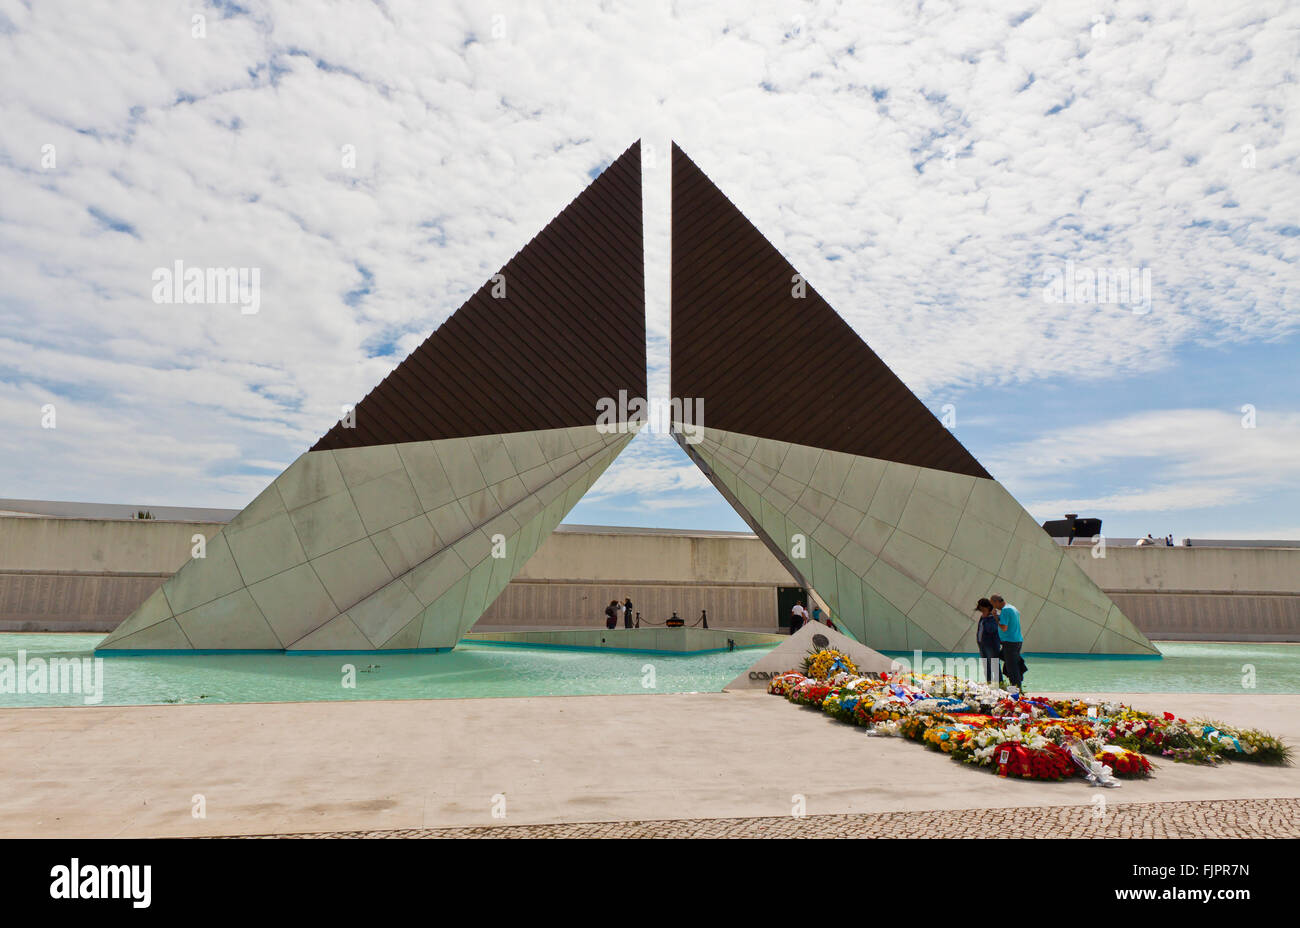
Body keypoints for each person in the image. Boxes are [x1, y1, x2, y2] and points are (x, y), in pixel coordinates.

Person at [991, 594, 1025, 691]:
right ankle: (1016, 686)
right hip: (1017, 641)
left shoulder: (1005, 610)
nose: (993, 606)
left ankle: (1016, 691)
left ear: (997, 602)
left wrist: (995, 618)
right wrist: (998, 616)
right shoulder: (1012, 608)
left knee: (1012, 668)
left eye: (993, 603)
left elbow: (1004, 627)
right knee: (1010, 662)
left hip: (1010, 642)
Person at [974, 598, 1002, 684]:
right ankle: (989, 683)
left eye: (982, 608)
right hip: (983, 645)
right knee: (986, 666)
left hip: (991, 645)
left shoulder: (993, 617)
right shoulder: (983, 617)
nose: (981, 610)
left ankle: (999, 684)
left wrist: (986, 618)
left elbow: (991, 629)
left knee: (994, 665)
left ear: (986, 607)